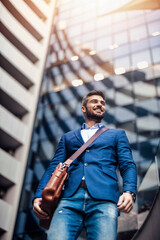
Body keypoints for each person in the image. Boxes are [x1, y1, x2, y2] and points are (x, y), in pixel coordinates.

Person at [33, 90, 137, 240]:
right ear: (83, 108)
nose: (100, 105)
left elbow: (127, 165)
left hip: (104, 199)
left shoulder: (117, 135)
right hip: (69, 199)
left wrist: (129, 191)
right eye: (95, 101)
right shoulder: (68, 137)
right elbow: (54, 167)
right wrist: (38, 196)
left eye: (102, 103)